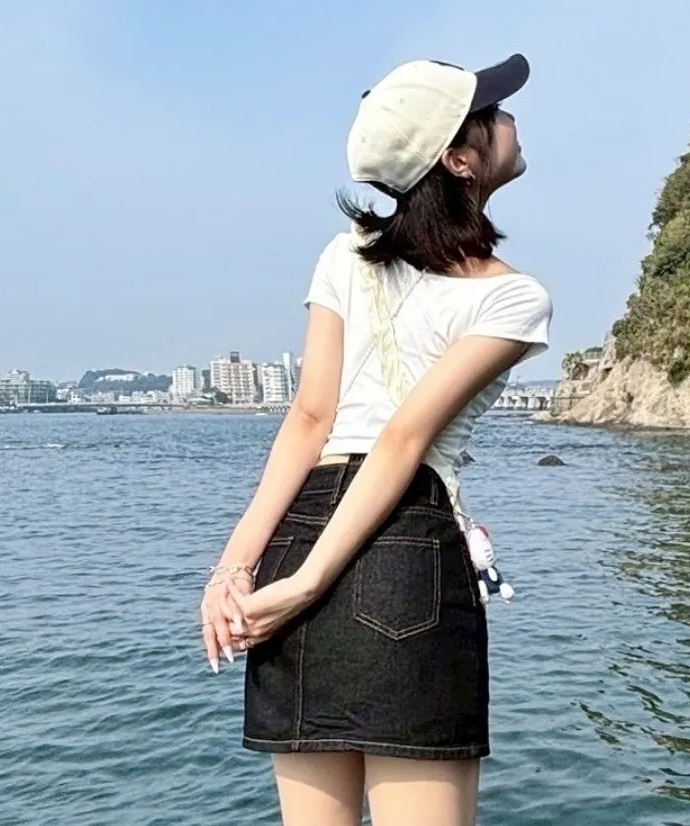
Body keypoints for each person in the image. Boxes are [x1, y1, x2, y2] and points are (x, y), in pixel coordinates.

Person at [200, 53, 552, 826]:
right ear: (459, 159)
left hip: (299, 531)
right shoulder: (513, 297)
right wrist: (306, 584)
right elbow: (400, 439)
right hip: (402, 546)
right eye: (492, 111)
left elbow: (308, 418)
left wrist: (235, 568)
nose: (510, 118)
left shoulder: (345, 254)